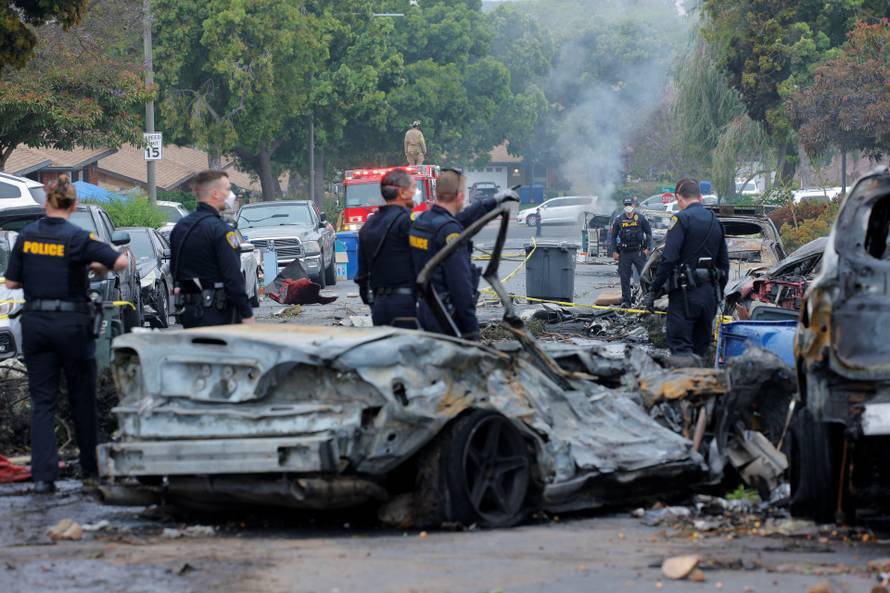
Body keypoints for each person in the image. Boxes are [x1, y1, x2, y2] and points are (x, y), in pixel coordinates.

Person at [4, 176, 129, 494]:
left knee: (42, 401)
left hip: (36, 323)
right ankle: (91, 469)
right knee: (81, 397)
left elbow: (11, 284)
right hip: (72, 324)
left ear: (46, 203)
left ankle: (44, 476)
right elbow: (120, 262)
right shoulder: (78, 237)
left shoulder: (26, 237)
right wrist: (96, 268)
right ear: (73, 206)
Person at [409, 168, 518, 339]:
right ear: (460, 196)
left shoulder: (423, 222)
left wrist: (492, 202)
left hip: (425, 310)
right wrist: (471, 330)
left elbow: (462, 220)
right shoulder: (449, 232)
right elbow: (460, 286)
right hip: (447, 317)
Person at [645, 178, 729, 364]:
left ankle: (684, 390)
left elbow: (668, 258)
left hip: (685, 296)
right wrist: (718, 294)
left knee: (681, 350)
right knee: (701, 351)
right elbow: (724, 264)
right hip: (708, 297)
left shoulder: (680, 219)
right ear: (699, 196)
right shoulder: (715, 221)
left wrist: (654, 290)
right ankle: (701, 389)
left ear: (678, 197)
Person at [170, 170, 255, 328]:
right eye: (228, 189)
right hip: (219, 315)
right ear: (215, 193)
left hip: (188, 314)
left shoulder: (180, 228)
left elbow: (174, 270)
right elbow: (233, 277)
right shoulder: (221, 230)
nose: (231, 195)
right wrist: (246, 313)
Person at [355, 169, 419, 328]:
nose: (415, 192)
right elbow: (424, 262)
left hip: (379, 306)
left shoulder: (368, 225)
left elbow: (362, 274)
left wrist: (371, 302)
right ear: (403, 193)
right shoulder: (407, 221)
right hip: (407, 305)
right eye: (414, 188)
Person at [610, 197, 652, 307]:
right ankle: (626, 301)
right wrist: (614, 251)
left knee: (644, 275)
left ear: (634, 205)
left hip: (638, 251)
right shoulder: (619, 219)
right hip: (624, 252)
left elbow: (649, 233)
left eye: (630, 204)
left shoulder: (641, 218)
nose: (628, 206)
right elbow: (613, 236)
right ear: (624, 206)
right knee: (624, 277)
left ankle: (647, 300)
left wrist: (648, 248)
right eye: (626, 204)